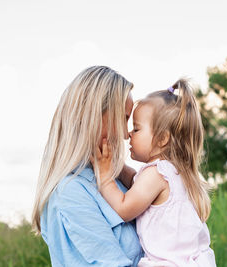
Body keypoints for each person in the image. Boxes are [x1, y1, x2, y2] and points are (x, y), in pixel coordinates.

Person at [92, 79, 217, 266]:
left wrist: (105, 175)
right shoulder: (175, 172)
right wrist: (117, 167)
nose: (128, 135)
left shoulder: (157, 173)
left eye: (136, 128)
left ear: (162, 139)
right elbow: (134, 180)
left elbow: (124, 208)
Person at [31, 66, 143, 266]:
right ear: (92, 116)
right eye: (123, 119)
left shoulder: (112, 177)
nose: (126, 135)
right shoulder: (69, 193)